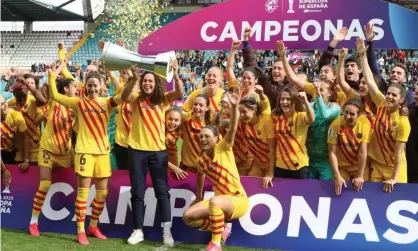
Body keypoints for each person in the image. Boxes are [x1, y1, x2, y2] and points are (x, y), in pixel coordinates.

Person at [48, 61, 123, 245]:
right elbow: (56, 96)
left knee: (102, 194)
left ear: (101, 87)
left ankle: (93, 226)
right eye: (89, 85)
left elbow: (124, 96)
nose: (92, 88)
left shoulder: (107, 103)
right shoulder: (78, 103)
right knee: (83, 194)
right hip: (84, 152)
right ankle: (80, 230)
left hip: (103, 153)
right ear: (85, 87)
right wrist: (51, 76)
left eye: (95, 85)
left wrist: (124, 76)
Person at [121, 64, 183, 246]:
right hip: (137, 151)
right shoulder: (136, 98)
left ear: (156, 84)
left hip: (158, 152)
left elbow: (178, 92)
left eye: (151, 81)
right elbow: (124, 96)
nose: (148, 84)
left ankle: (167, 232)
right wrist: (133, 79)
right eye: (145, 81)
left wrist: (177, 74)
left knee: (162, 192)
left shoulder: (162, 99)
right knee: (137, 192)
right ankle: (138, 230)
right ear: (141, 83)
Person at [183, 89, 248, 251]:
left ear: (216, 138)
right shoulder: (201, 159)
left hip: (237, 200)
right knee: (188, 217)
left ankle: (216, 244)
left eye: (207, 136)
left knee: (214, 201)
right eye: (201, 137)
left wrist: (234, 107)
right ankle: (223, 228)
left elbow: (232, 128)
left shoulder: (223, 147)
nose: (203, 139)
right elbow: (200, 176)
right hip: (218, 204)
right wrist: (198, 197)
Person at [277, 40, 340, 180]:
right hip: (309, 158)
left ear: (330, 93)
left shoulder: (335, 107)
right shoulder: (308, 107)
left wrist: (316, 93)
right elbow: (292, 78)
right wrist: (283, 57)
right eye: (317, 89)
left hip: (326, 161)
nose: (318, 91)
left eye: (322, 90)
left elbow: (324, 115)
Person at [29, 62, 78, 236]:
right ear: (65, 89)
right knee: (45, 184)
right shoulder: (54, 103)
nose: (77, 89)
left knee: (77, 183)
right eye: (74, 86)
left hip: (66, 153)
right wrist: (58, 68)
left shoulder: (76, 107)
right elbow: (50, 84)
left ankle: (73, 220)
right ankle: (34, 222)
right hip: (48, 150)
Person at [358, 37, 410, 192]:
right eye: (388, 93)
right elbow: (370, 80)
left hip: (395, 168)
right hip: (376, 164)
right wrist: (362, 56)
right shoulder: (381, 103)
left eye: (394, 95)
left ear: (401, 100)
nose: (389, 97)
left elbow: (399, 152)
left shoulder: (403, 122)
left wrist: (394, 178)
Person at [265, 86, 315, 186]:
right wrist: (270, 173)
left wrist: (305, 101)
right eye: (282, 99)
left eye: (288, 99)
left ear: (295, 101)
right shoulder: (274, 117)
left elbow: (311, 119)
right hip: (280, 166)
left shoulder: (300, 116)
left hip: (299, 167)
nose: (284, 102)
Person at [328, 99, 372, 195]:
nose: (347, 116)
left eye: (352, 114)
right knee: (339, 192)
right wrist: (337, 175)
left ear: (360, 114)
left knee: (363, 194)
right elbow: (332, 152)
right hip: (343, 168)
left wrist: (360, 176)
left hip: (360, 167)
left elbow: (362, 152)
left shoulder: (365, 124)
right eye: (346, 112)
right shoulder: (334, 125)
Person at [1, 95, 29, 166]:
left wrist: (26, 161)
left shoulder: (16, 115)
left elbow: (26, 137)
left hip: (12, 152)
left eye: (5, 102)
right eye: (2, 104)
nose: (5, 106)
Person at [165, 106, 188, 180]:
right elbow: (155, 155)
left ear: (180, 121)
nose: (172, 122)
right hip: (158, 160)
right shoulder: (159, 130)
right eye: (170, 119)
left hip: (172, 159)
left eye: (176, 120)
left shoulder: (179, 130)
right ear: (165, 118)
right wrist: (173, 167)